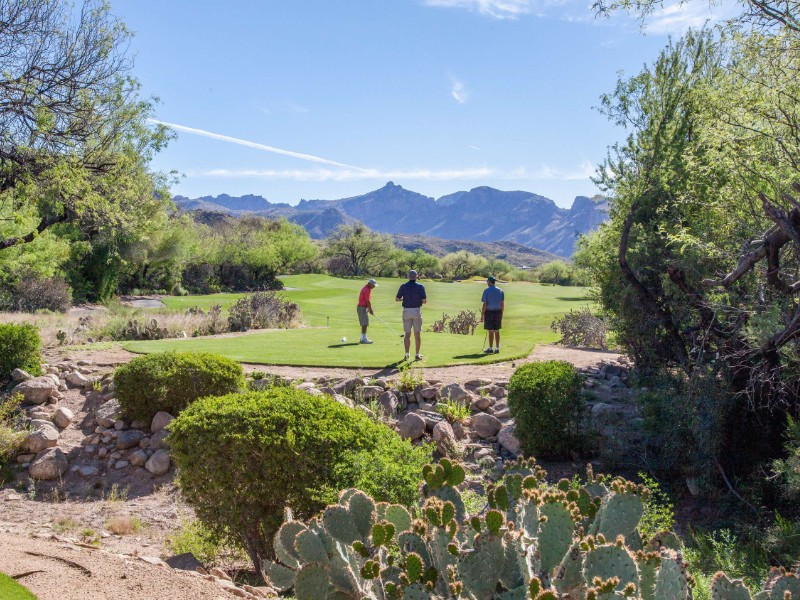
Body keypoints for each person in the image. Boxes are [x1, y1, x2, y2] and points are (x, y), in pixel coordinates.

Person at [396, 269, 426, 360]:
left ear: (409, 276)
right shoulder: (421, 286)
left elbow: (397, 298)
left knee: (407, 334)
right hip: (416, 311)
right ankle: (417, 355)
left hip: (406, 311)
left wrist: (404, 300)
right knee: (417, 334)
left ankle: (407, 354)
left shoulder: (403, 286)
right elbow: (424, 301)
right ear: (416, 276)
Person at [480, 275, 504, 353]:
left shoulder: (486, 291)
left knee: (490, 331)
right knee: (496, 330)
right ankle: (497, 348)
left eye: (487, 281)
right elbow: (502, 304)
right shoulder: (501, 291)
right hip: (498, 312)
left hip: (489, 312)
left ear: (490, 282)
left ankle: (490, 348)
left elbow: (485, 304)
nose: (487, 282)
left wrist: (482, 315)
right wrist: (501, 314)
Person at [357, 278, 378, 344]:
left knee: (364, 323)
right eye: (373, 285)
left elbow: (367, 302)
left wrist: (368, 308)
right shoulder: (367, 289)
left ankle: (362, 338)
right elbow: (368, 301)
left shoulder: (367, 288)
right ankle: (363, 339)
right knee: (365, 323)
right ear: (370, 284)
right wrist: (370, 309)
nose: (374, 286)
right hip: (362, 308)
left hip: (362, 307)